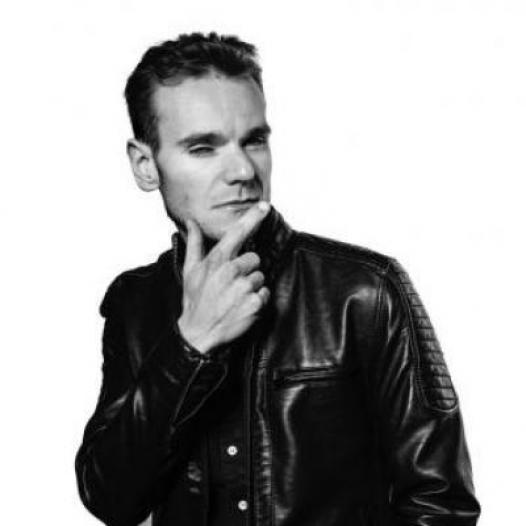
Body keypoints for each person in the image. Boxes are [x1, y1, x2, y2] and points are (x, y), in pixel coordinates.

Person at [75, 32, 481, 526]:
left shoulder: (365, 292)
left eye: (254, 140)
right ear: (145, 165)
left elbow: (441, 505)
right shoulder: (134, 301)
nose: (243, 170)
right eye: (203, 148)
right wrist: (190, 345)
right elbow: (111, 498)